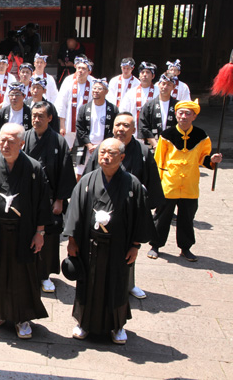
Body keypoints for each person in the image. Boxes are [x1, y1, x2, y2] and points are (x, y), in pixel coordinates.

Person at [0, 123, 51, 339]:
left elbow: (43, 203)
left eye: (10, 142)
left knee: (23, 275)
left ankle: (22, 318)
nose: (4, 145)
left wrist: (40, 233)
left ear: (21, 144)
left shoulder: (34, 168)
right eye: (2, 140)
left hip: (25, 232)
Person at [64, 138, 150, 344]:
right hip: (89, 245)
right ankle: (83, 323)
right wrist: (72, 241)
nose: (106, 157)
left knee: (117, 285)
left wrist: (135, 246)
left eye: (112, 153)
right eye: (102, 152)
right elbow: (75, 212)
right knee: (87, 284)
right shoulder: (87, 181)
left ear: (122, 157)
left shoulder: (132, 184)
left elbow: (140, 216)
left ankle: (117, 326)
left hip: (118, 246)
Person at [84, 112, 163, 299]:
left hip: (128, 211)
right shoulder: (103, 148)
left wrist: (147, 207)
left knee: (127, 252)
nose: (121, 129)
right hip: (101, 208)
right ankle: (95, 284)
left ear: (134, 129)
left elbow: (151, 182)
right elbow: (88, 177)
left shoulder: (143, 152)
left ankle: (128, 284)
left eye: (126, 125)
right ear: (112, 128)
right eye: (118, 125)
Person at [148, 100, 223, 262]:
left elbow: (204, 157)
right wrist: (156, 184)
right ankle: (155, 245)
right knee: (162, 216)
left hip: (190, 183)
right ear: (176, 115)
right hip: (169, 182)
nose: (183, 116)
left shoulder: (202, 136)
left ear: (194, 116)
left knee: (187, 218)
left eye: (188, 113)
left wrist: (213, 160)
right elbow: (159, 160)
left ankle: (185, 247)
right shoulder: (167, 135)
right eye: (180, 113)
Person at [24, 101, 76, 293]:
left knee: (49, 237)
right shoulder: (25, 137)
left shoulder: (58, 141)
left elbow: (65, 171)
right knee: (27, 234)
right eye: (34, 115)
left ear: (50, 118)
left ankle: (45, 275)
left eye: (41, 116)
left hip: (50, 198)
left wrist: (60, 200)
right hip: (28, 197)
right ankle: (28, 272)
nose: (36, 119)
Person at [73, 78, 117, 179]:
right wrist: (89, 145)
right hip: (86, 146)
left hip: (104, 146)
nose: (96, 91)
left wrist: (100, 145)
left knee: (104, 172)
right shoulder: (84, 108)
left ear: (106, 91)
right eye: (94, 88)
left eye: (99, 88)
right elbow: (79, 128)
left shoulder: (113, 109)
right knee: (79, 173)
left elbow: (113, 129)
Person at [55, 56, 94, 148]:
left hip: (87, 123)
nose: (80, 71)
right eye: (78, 68)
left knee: (83, 149)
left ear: (89, 71)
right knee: (66, 148)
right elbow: (61, 103)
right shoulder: (68, 81)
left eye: (83, 69)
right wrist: (62, 125)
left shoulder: (93, 82)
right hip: (69, 121)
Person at [138, 73, 179, 148]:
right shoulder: (148, 105)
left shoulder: (178, 106)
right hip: (153, 146)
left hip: (173, 147)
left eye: (169, 85)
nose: (165, 87)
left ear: (173, 87)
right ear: (159, 85)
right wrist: (155, 144)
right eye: (163, 84)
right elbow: (143, 127)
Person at [119, 61, 159, 138]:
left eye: (148, 72)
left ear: (153, 76)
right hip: (134, 132)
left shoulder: (158, 92)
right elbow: (123, 111)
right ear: (139, 75)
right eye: (142, 72)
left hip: (153, 134)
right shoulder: (131, 92)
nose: (144, 75)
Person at [0, 82, 32, 151]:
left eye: (17, 94)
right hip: (5, 149)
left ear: (24, 96)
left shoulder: (30, 113)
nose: (14, 97)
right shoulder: (1, 113)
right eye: (12, 94)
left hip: (24, 149)